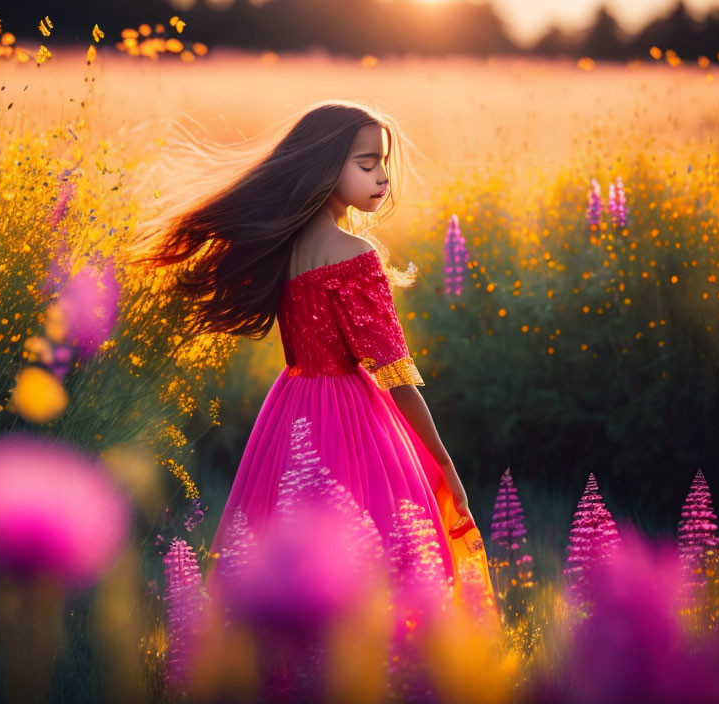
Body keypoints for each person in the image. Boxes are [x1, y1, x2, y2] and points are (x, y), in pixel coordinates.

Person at [135, 99, 498, 622]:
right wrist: (444, 463)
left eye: (383, 166)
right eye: (366, 164)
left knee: (289, 543)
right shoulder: (355, 254)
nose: (382, 179)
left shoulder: (286, 246)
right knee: (371, 546)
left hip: (290, 408)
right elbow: (394, 374)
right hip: (349, 415)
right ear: (327, 167)